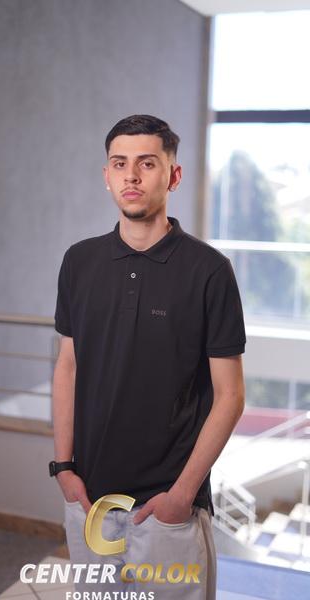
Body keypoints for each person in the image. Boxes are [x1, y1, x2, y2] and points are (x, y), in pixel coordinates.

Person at [49, 114, 246, 599]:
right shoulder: (79, 261)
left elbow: (230, 396)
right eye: (120, 164)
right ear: (107, 176)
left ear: (173, 176)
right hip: (91, 501)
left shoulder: (210, 271)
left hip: (168, 511)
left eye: (147, 163)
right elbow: (68, 366)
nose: (131, 176)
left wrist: (181, 495)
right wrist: (64, 469)